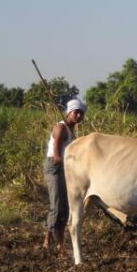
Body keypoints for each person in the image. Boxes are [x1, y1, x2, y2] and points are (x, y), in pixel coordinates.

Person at [43, 98, 86, 251]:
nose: (79, 116)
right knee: (56, 205)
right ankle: (47, 239)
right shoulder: (61, 128)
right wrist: (59, 158)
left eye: (81, 113)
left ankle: (60, 242)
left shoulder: (71, 130)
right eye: (76, 112)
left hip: (65, 168)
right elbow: (56, 150)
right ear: (69, 113)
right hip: (54, 167)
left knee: (65, 207)